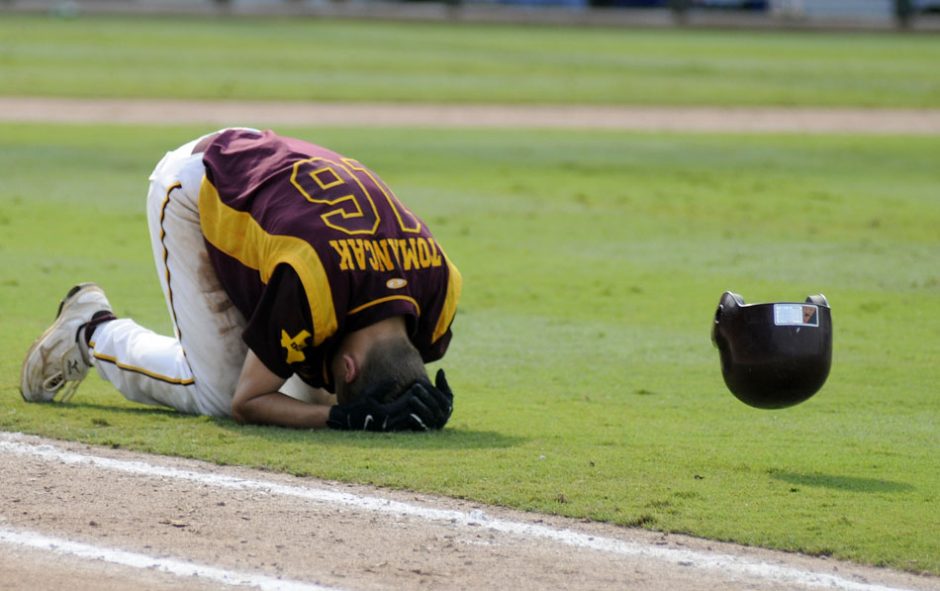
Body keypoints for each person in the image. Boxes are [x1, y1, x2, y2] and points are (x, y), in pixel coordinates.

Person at [20, 128, 462, 432]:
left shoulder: (439, 285)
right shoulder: (311, 285)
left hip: (268, 172)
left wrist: (417, 401)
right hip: (201, 184)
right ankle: (91, 331)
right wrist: (342, 418)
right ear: (348, 367)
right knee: (220, 395)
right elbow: (246, 402)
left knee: (308, 398)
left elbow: (387, 369)